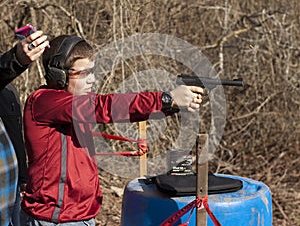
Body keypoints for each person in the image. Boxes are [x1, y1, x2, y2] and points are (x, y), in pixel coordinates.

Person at [21, 35, 205, 225]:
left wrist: (171, 105)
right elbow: (105, 106)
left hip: (80, 216)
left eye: (93, 72)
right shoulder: (44, 101)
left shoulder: (71, 106)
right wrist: (165, 99)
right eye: (84, 73)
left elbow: (124, 112)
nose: (92, 80)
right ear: (58, 76)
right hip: (54, 220)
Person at [0, 29, 49, 226]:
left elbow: (14, 136)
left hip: (11, 197)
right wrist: (16, 59)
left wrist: (22, 178)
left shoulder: (8, 92)